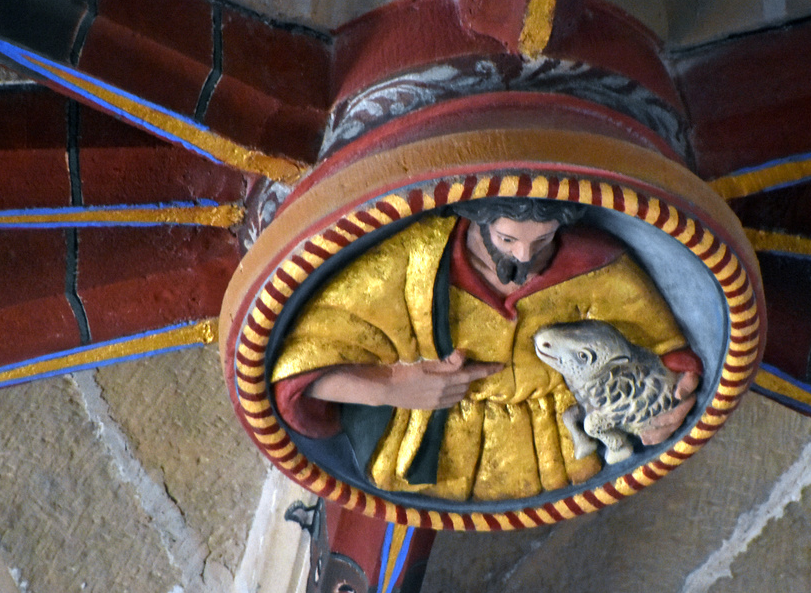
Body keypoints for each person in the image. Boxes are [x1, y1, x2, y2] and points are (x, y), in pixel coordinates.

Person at [271, 197, 702, 502]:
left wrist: (667, 404)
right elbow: (299, 372)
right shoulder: (414, 262)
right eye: (507, 239)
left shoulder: (598, 264)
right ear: (478, 218)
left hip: (565, 456)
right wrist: (392, 386)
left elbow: (668, 351)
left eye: (543, 240)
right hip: (424, 460)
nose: (524, 256)